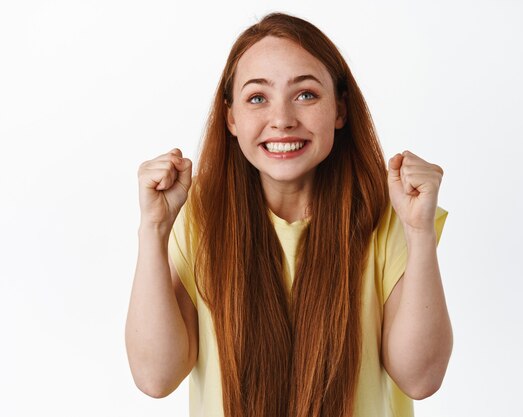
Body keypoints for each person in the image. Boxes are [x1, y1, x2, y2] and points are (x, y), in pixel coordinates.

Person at [125, 12, 452, 417]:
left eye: (306, 95)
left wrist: (419, 231)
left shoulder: (391, 218)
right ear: (231, 117)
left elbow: (420, 378)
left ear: (340, 110)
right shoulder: (199, 220)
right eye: (257, 98)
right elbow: (156, 377)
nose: (281, 120)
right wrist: (154, 229)